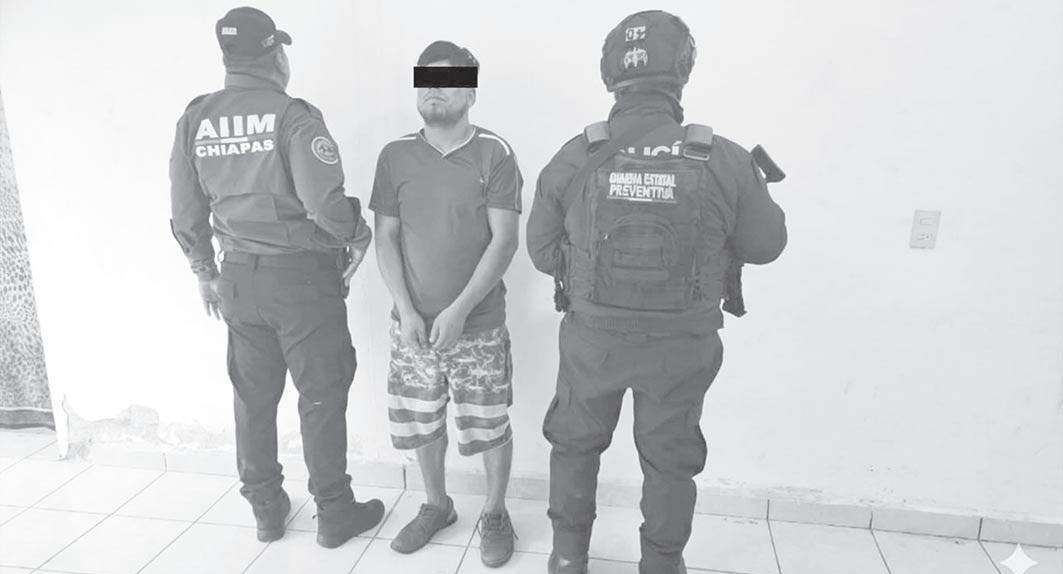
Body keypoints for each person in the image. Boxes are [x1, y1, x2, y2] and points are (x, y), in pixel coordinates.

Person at [526, 10, 788, 574]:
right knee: (670, 461)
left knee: (575, 446)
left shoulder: (576, 154)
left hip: (592, 343)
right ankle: (662, 565)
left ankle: (568, 558)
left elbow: (541, 251)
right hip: (682, 345)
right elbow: (768, 246)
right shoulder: (722, 157)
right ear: (684, 71)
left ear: (609, 75)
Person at [169, 6, 384, 548]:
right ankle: (334, 511)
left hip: (238, 279)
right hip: (301, 282)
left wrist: (204, 270)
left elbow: (185, 209)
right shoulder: (293, 117)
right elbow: (324, 204)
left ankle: (266, 508)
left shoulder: (196, 119)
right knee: (321, 393)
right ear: (275, 55)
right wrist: (358, 234)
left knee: (253, 398)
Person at [370, 40, 522, 568]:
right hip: (411, 326)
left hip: (477, 326)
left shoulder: (494, 154)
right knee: (421, 420)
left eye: (449, 80)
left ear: (471, 94)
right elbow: (385, 237)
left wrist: (459, 310)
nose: (434, 89)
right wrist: (407, 309)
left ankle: (495, 513)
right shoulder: (394, 156)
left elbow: (504, 241)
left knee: (488, 424)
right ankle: (437, 505)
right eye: (426, 79)